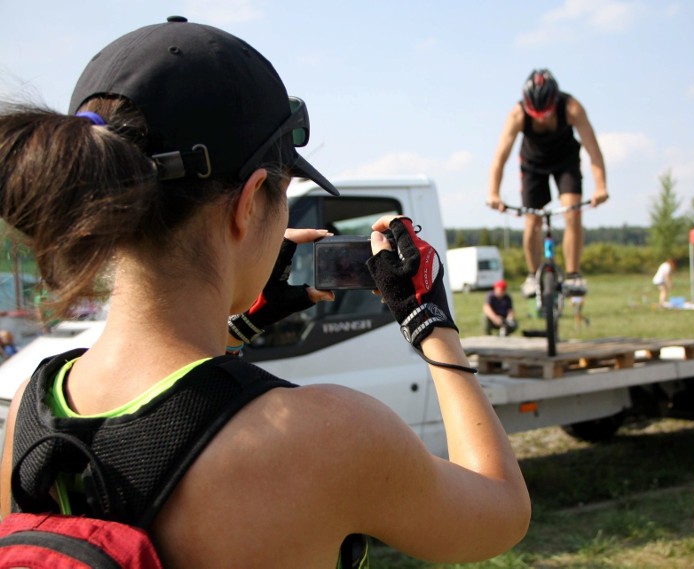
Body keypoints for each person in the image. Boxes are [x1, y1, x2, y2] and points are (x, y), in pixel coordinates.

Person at [0, 18, 530, 568]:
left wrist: (239, 328)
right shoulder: (326, 435)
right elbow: (500, 511)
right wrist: (429, 322)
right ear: (250, 201)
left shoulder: (31, 411)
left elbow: (159, 415)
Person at [487, 69, 608, 299]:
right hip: (533, 165)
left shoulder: (572, 108)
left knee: (573, 212)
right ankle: (533, 276)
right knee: (533, 220)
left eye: (547, 114)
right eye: (536, 114)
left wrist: (600, 187)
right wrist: (493, 192)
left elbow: (594, 150)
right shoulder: (517, 115)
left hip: (566, 162)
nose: (541, 118)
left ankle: (573, 274)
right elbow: (500, 157)